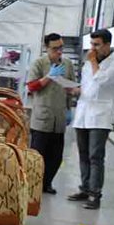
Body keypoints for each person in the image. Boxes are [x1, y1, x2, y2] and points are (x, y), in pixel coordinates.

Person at [67, 29, 114, 209]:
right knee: (83, 154)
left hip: (100, 116)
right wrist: (76, 90)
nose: (92, 48)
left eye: (97, 45)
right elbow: (88, 85)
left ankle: (95, 194)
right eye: (91, 44)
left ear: (107, 45)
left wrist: (92, 61)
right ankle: (85, 188)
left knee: (95, 156)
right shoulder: (88, 64)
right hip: (83, 112)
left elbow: (102, 80)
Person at [26, 33, 76, 195]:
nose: (59, 52)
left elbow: (71, 87)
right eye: (55, 49)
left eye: (61, 48)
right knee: (37, 155)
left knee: (55, 156)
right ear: (47, 48)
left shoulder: (68, 64)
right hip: (42, 118)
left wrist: (69, 108)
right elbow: (31, 87)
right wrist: (48, 77)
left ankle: (47, 184)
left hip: (60, 117)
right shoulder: (39, 63)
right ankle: (32, 185)